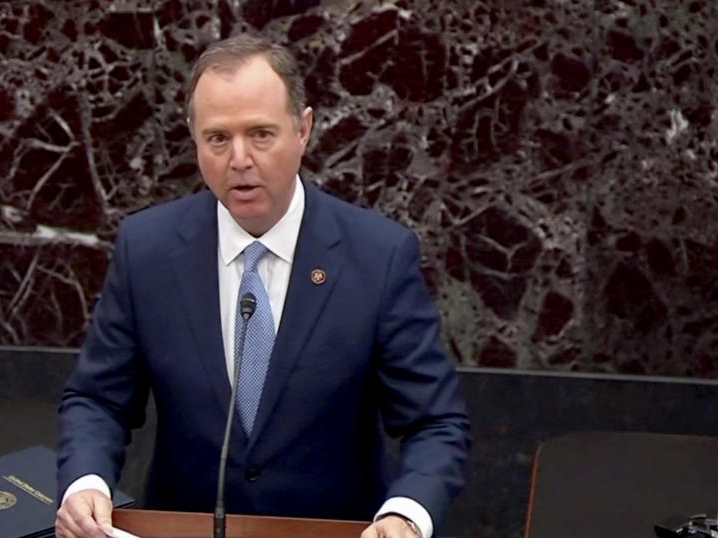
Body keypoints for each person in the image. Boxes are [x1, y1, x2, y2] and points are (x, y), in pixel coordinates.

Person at [55, 34, 470, 538]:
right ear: (195, 140)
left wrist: (407, 512)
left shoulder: (378, 256)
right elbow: (99, 399)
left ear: (304, 129)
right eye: (218, 139)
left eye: (261, 134)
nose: (240, 159)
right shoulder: (148, 250)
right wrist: (86, 481)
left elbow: (436, 422)